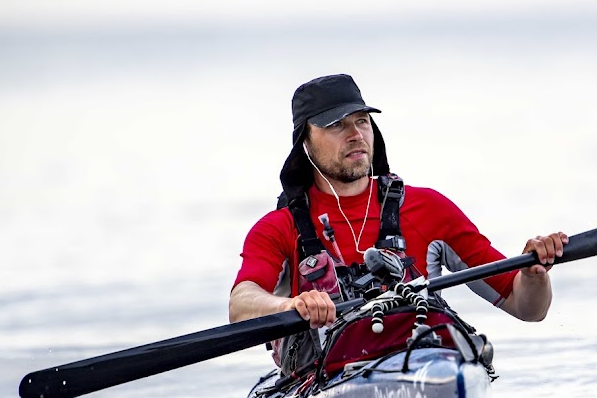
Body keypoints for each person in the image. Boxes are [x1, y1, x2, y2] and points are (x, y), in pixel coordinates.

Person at [230, 73, 567, 377]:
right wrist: (290, 305)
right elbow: (241, 304)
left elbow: (528, 308)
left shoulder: (429, 209)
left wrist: (533, 275)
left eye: (361, 121)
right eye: (336, 125)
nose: (355, 135)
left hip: (427, 369)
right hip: (324, 380)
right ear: (304, 142)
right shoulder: (278, 227)